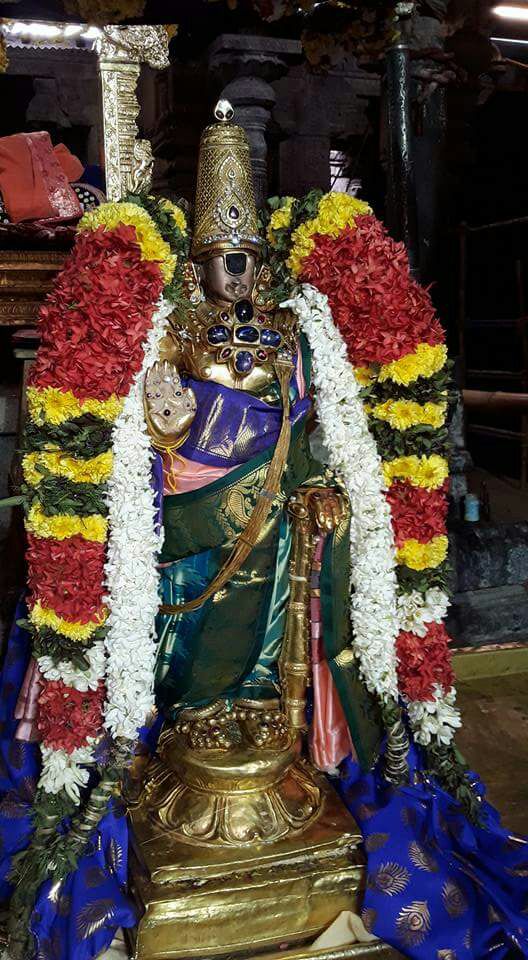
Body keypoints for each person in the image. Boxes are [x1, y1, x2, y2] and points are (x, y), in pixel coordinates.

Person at [0, 102, 527, 960]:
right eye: (223, 262)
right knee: (187, 629)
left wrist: (320, 490)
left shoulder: (295, 330)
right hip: (187, 523)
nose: (238, 276)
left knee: (267, 630)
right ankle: (183, 732)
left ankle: (256, 725)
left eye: (248, 262)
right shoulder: (168, 328)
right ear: (199, 261)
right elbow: (148, 435)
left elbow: (317, 431)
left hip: (277, 524)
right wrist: (173, 428)